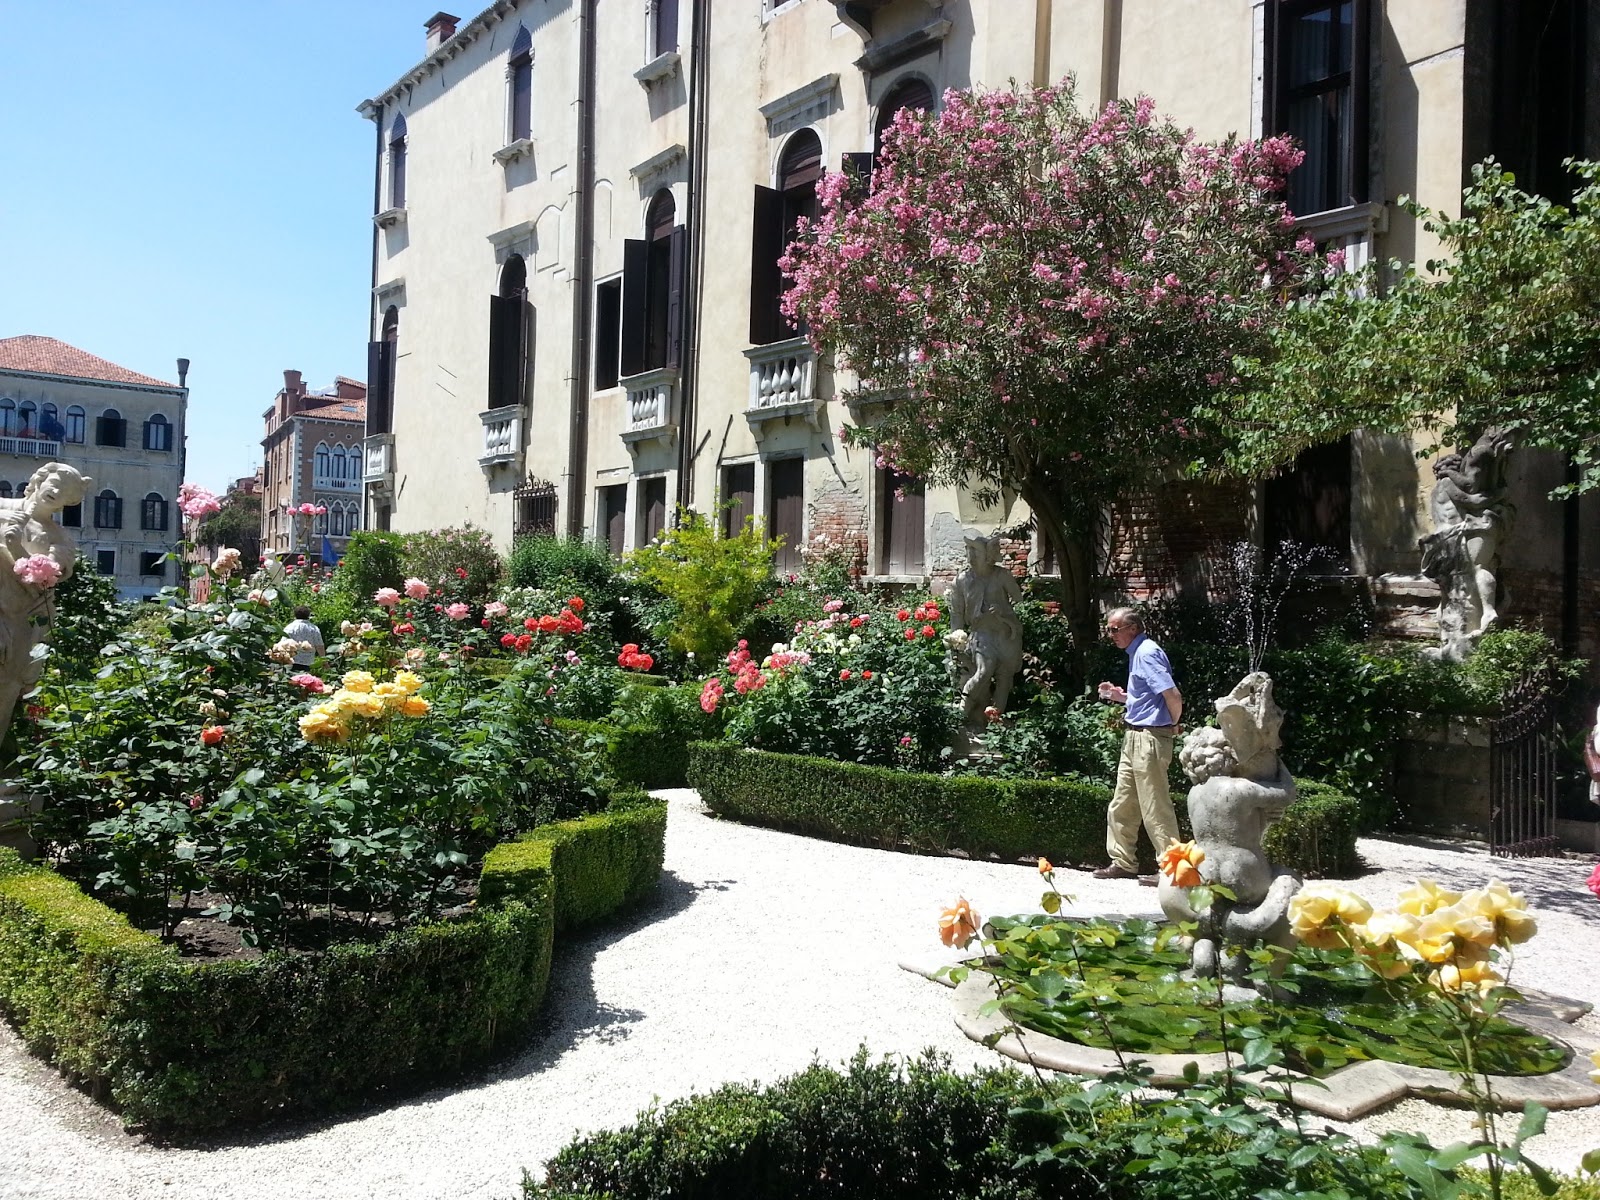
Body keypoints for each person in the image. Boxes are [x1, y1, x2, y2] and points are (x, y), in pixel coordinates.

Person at [1094, 607, 1183, 883]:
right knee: (1122, 803)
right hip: (1135, 735)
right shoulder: (1138, 654)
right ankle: (1123, 861)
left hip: (1149, 738)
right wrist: (1120, 697)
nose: (1111, 635)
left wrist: (1173, 725)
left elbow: (1172, 695)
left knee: (1156, 804)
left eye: (1114, 629)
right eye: (1109, 629)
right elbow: (1148, 700)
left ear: (1132, 628)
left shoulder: (1147, 653)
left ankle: (1172, 869)